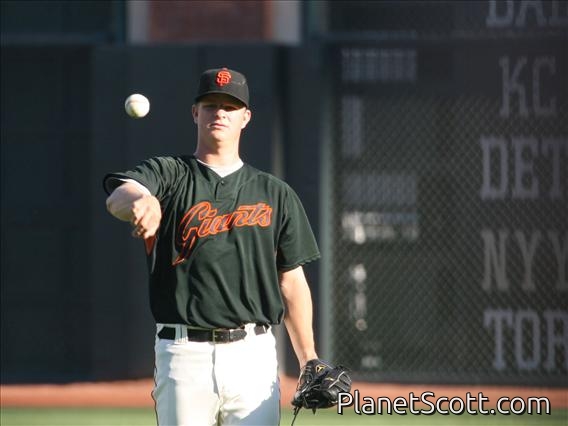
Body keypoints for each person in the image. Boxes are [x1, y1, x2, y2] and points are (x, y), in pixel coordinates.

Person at [103, 67, 321, 425]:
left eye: (230, 106)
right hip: (183, 353)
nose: (219, 112)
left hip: (253, 354)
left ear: (245, 117)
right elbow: (119, 194)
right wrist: (142, 200)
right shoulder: (170, 175)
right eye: (210, 104)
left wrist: (308, 357)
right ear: (195, 113)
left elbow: (292, 281)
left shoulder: (275, 193)